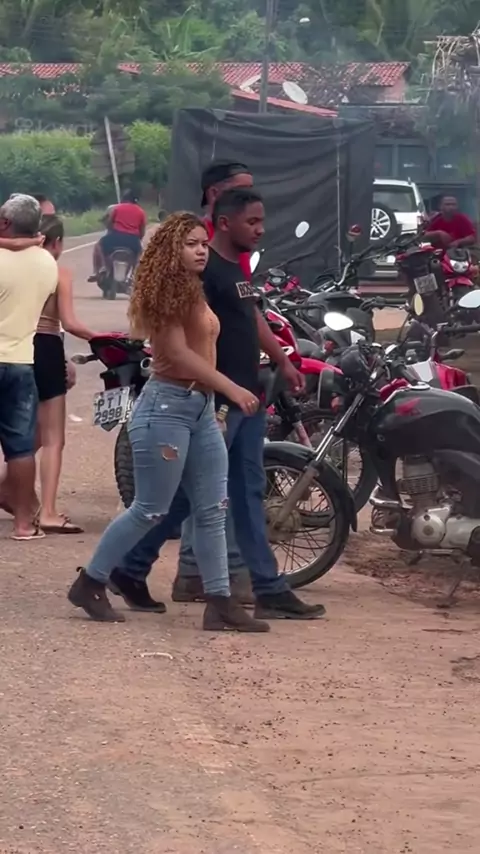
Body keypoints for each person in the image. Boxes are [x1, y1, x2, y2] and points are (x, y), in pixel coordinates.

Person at [108, 188, 326, 621]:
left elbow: (252, 317)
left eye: (262, 221)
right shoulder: (201, 274)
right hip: (216, 401)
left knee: (242, 492)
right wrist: (221, 391)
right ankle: (126, 569)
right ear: (225, 223)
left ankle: (266, 587)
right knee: (187, 496)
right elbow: (181, 342)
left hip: (247, 396)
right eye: (252, 222)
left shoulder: (234, 270)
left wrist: (282, 360)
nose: (260, 230)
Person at [67, 210, 269, 633]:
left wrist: (216, 399)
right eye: (190, 244)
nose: (200, 251)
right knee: (150, 508)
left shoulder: (194, 289)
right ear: (170, 251)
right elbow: (177, 354)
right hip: (165, 408)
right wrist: (232, 389)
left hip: (199, 408)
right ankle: (91, 581)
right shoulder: (165, 294)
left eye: (202, 244)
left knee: (212, 508)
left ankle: (220, 602)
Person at [0, 195, 58, 539]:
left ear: (6, 223)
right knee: (20, 448)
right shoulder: (47, 263)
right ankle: (23, 524)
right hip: (22, 361)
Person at [33, 214, 95, 532]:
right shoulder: (59, 273)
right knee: (52, 438)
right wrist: (101, 338)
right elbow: (68, 323)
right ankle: (48, 511)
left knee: (18, 434)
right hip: (45, 347)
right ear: (57, 243)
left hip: (11, 349)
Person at [90, 190, 146, 281]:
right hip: (132, 241)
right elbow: (142, 231)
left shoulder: (117, 208)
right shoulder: (141, 212)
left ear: (124, 198)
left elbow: (109, 223)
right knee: (140, 255)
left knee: (98, 245)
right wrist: (137, 240)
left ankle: (101, 269)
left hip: (116, 237)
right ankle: (134, 274)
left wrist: (112, 231)